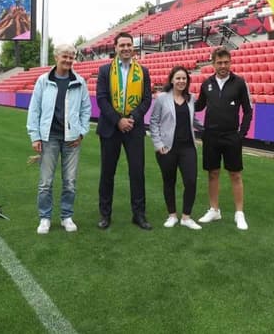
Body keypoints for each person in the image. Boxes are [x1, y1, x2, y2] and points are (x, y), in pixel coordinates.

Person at [27, 44, 91, 234]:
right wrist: (35, 135)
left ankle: (66, 216)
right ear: (56, 57)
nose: (68, 60)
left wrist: (81, 132)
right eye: (65, 56)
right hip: (49, 137)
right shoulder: (43, 81)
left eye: (72, 57)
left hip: (72, 139)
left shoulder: (79, 81)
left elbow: (86, 109)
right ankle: (45, 217)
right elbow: (34, 109)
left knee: (70, 181)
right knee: (45, 182)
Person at [96, 32, 152, 230]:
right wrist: (118, 120)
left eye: (129, 45)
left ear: (133, 48)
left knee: (137, 172)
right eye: (122, 45)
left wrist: (132, 119)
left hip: (134, 128)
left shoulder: (143, 71)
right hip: (110, 128)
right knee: (107, 173)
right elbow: (101, 99)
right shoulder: (104, 70)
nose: (126, 48)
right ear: (116, 47)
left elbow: (147, 100)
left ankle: (139, 214)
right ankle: (105, 214)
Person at [194, 47, 253, 230]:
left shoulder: (239, 83)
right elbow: (199, 106)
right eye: (219, 62)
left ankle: (239, 213)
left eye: (226, 62)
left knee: (235, 174)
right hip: (211, 136)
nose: (223, 66)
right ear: (213, 64)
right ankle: (214, 210)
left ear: (230, 62)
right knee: (213, 174)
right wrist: (181, 99)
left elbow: (248, 110)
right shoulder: (207, 84)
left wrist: (241, 134)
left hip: (231, 137)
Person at [149, 66, 203, 230]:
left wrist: (207, 129)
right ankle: (172, 215)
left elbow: (192, 120)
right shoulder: (162, 98)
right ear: (171, 80)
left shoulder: (191, 98)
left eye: (184, 79)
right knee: (169, 181)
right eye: (178, 78)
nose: (181, 81)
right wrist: (158, 145)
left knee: (191, 181)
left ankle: (186, 217)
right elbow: (153, 121)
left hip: (188, 148)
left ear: (187, 81)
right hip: (167, 148)